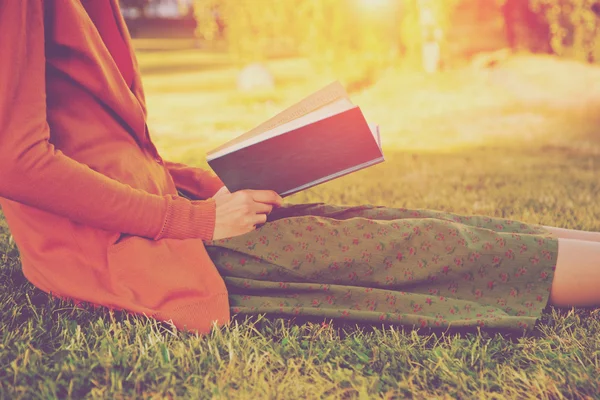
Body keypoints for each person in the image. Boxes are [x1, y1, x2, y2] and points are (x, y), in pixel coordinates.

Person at [1, 0, 599, 334]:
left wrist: (211, 188)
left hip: (176, 216)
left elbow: (102, 144)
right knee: (425, 248)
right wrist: (192, 222)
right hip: (137, 248)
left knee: (393, 220)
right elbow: (17, 161)